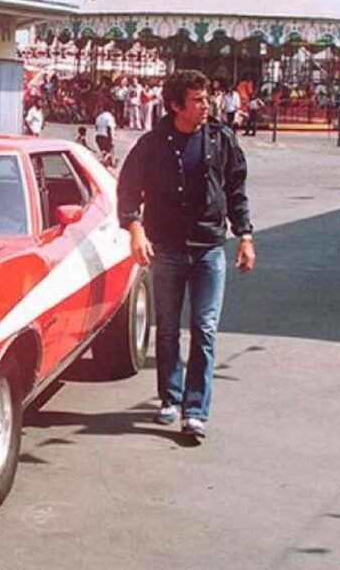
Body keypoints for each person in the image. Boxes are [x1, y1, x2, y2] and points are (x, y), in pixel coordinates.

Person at [117, 69, 256, 439]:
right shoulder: (152, 144)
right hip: (167, 248)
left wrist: (244, 235)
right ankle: (170, 397)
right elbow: (128, 188)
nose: (206, 105)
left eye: (206, 98)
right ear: (177, 105)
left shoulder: (221, 139)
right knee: (166, 329)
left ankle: (195, 410)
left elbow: (236, 189)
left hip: (210, 248)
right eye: (197, 100)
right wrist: (135, 229)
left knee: (204, 329)